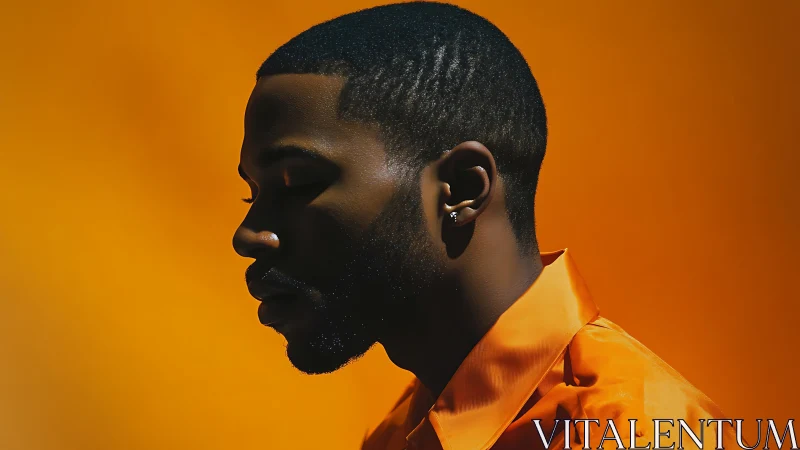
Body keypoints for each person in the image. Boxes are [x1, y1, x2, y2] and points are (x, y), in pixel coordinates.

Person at [232, 3, 736, 449]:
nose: (247, 235)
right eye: (252, 193)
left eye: (296, 183)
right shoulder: (403, 433)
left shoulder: (641, 432)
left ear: (460, 189)